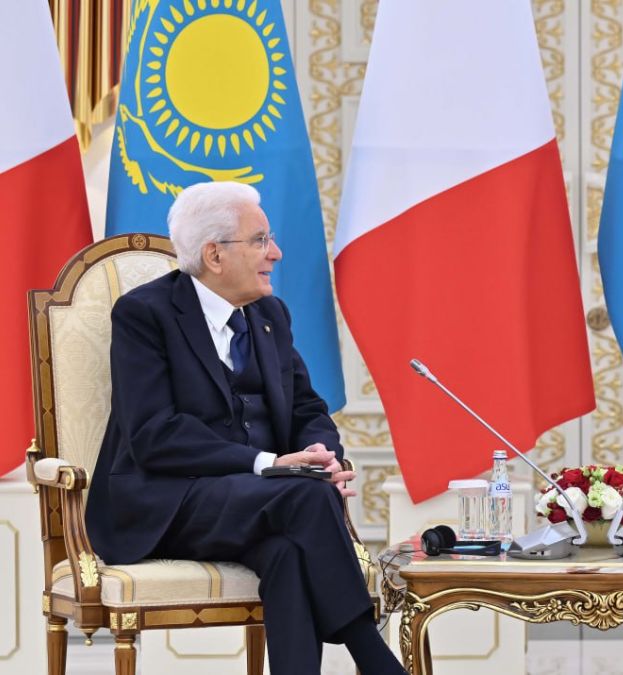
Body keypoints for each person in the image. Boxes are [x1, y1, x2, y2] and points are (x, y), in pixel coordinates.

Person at [86, 182, 406, 675]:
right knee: (306, 497)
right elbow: (154, 434)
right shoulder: (144, 314)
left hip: (257, 504)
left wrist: (321, 456)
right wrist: (268, 464)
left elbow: (306, 406)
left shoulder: (269, 314)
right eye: (260, 240)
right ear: (214, 255)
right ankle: (374, 657)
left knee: (287, 552)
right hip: (169, 503)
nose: (275, 253)